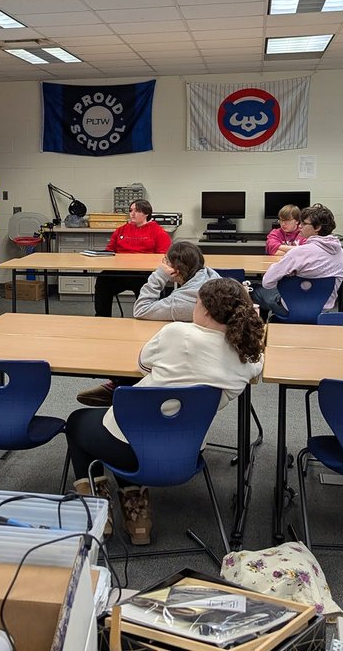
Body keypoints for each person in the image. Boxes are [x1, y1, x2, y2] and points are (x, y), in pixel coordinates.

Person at [66, 279, 264, 546]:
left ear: (205, 310)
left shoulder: (176, 333)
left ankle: (99, 513)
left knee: (79, 421)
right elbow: (257, 362)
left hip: (127, 445)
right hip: (185, 452)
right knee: (135, 429)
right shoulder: (245, 358)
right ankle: (138, 518)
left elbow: (142, 363)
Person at [76, 241, 221, 406]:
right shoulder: (208, 274)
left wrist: (159, 275)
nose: (162, 263)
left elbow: (141, 310)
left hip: (195, 359)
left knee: (139, 344)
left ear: (176, 270)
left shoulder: (185, 301)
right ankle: (122, 385)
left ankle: (124, 389)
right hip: (207, 348)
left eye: (165, 261)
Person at [253, 204, 343, 318]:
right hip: (322, 312)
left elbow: (267, 282)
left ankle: (262, 329)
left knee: (256, 290)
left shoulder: (299, 253)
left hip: (291, 309)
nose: (300, 226)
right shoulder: (339, 251)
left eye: (304, 223)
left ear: (317, 227)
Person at [92, 199, 172, 318]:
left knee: (148, 287)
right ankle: (102, 317)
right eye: (131, 210)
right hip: (120, 272)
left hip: (143, 274)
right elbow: (110, 250)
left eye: (137, 211)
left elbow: (163, 257)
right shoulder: (121, 230)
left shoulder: (158, 232)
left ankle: (147, 318)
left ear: (146, 213)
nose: (132, 214)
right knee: (103, 280)